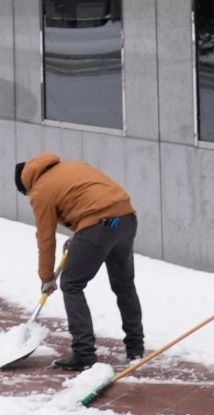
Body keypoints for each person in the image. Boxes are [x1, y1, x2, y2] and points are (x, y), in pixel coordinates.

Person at [15, 153, 145, 370]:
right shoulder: (73, 166)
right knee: (124, 285)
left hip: (100, 226)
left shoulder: (40, 191)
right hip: (125, 219)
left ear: (26, 185)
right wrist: (80, 234)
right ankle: (136, 348)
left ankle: (84, 353)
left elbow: (46, 237)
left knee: (71, 284)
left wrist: (46, 277)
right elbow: (91, 198)